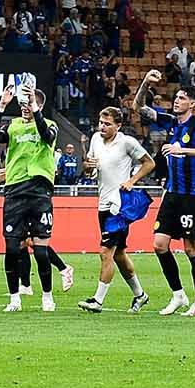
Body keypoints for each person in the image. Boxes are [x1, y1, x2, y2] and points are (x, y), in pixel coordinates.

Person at [133, 68, 195, 317]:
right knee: (159, 244)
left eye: (181, 98)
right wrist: (145, 82)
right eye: (176, 97)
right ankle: (179, 295)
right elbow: (139, 107)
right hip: (172, 194)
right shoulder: (170, 122)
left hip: (192, 195)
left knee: (191, 248)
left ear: (192, 103)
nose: (177, 100)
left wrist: (183, 150)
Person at [0, 82, 62, 313]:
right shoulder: (13, 125)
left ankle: (47, 295)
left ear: (39, 105)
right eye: (23, 103)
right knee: (12, 248)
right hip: (15, 189)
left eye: (30, 103)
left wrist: (35, 109)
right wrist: (1, 105)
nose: (25, 107)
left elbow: (46, 136)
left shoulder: (50, 125)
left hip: (39, 190)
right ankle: (14, 298)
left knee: (41, 249)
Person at [77, 106, 154, 314]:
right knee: (119, 254)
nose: (102, 127)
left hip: (118, 205)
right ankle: (140, 295)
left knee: (105, 251)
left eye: (107, 124)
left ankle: (98, 300)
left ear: (118, 126)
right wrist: (88, 166)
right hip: (103, 202)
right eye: (101, 123)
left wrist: (132, 180)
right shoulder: (95, 139)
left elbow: (149, 163)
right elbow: (90, 167)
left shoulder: (127, 142)